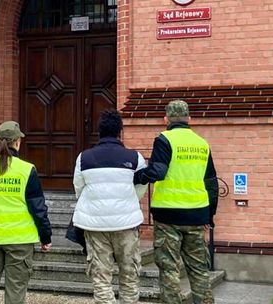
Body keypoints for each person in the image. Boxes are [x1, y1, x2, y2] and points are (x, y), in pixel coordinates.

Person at [135, 100, 218, 304]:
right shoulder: (202, 144)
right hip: (197, 215)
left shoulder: (165, 139)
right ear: (189, 119)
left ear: (166, 119)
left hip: (168, 215)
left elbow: (158, 172)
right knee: (199, 269)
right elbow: (211, 184)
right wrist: (210, 216)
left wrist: (137, 177)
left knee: (169, 269)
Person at [0, 121, 52, 304]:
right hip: (20, 239)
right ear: (17, 142)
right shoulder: (26, 169)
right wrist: (46, 236)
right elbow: (38, 207)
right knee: (15, 293)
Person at [72, 109, 148, 304]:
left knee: (101, 278)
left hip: (95, 225)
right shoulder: (134, 157)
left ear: (99, 131)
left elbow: (79, 188)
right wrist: (129, 201)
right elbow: (141, 186)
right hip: (126, 224)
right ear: (120, 132)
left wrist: (93, 203)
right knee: (129, 275)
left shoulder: (84, 158)